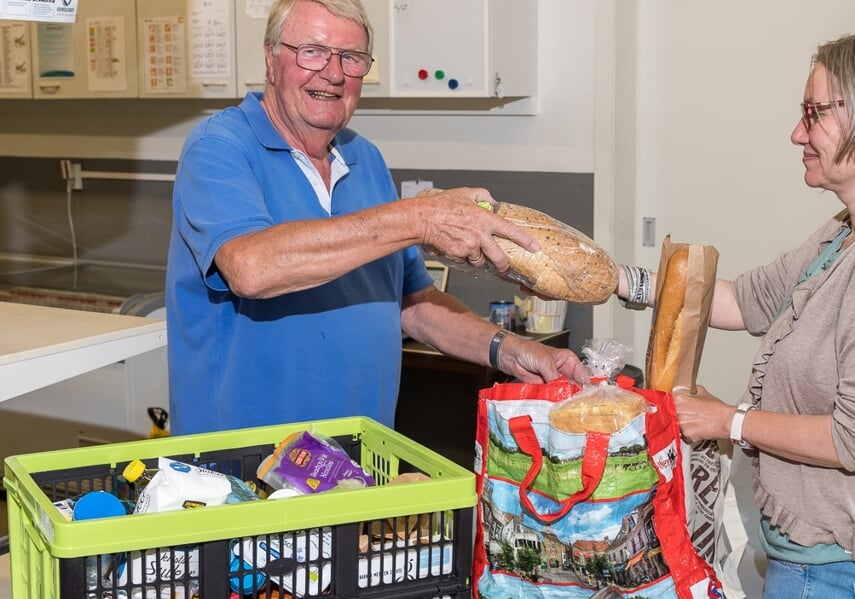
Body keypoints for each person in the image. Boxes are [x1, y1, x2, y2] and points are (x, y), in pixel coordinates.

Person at [616, 26, 855, 599]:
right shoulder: (847, 232)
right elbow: (741, 301)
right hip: (817, 560)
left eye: (814, 112)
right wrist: (615, 279)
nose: (796, 133)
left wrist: (726, 421)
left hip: (846, 571)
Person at [165, 0, 589, 436]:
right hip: (242, 470)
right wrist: (420, 217)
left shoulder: (364, 159)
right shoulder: (219, 147)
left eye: (352, 58)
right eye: (312, 51)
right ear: (271, 58)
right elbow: (251, 268)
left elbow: (412, 304)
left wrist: (509, 349)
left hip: (358, 462)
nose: (333, 74)